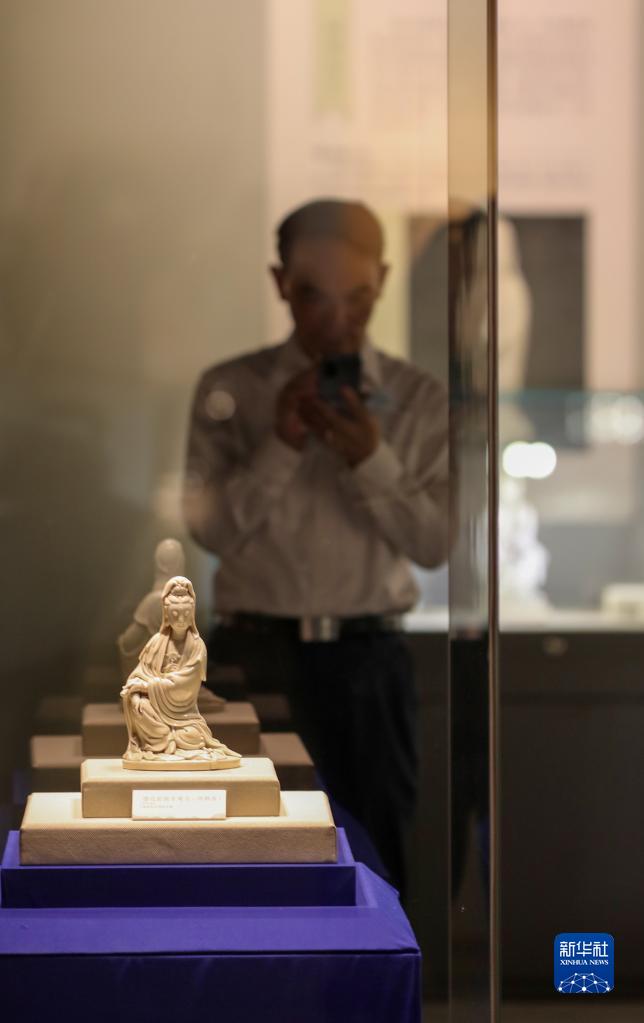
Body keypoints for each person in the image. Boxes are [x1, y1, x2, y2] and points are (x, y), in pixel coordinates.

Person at [184, 199, 448, 893]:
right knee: (244, 859)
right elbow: (209, 531)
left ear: (382, 280)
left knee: (376, 862)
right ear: (280, 284)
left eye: (355, 298)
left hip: (369, 658)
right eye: (313, 297)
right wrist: (278, 444)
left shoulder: (418, 400)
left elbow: (434, 544)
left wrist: (371, 460)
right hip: (253, 655)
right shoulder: (232, 390)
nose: (335, 321)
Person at [121, 575, 239, 767]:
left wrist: (148, 686)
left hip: (184, 716)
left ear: (192, 614)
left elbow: (185, 686)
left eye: (186, 613)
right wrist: (135, 686)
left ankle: (166, 740)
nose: (181, 619)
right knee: (138, 705)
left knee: (192, 735)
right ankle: (165, 739)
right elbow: (140, 672)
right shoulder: (156, 642)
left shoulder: (197, 646)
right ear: (166, 614)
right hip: (156, 707)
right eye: (175, 613)